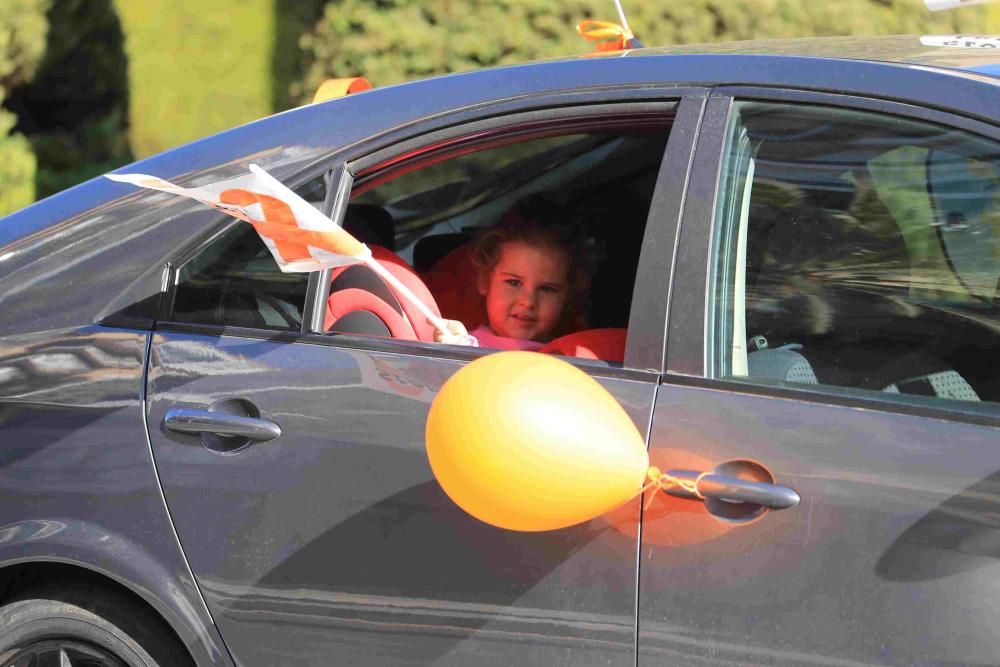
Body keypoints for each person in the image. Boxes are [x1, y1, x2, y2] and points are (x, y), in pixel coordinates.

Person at [433, 199, 589, 350]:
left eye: (547, 289)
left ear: (568, 294)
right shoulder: (462, 346)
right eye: (514, 282)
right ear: (485, 281)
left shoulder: (572, 360)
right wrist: (455, 352)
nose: (528, 302)